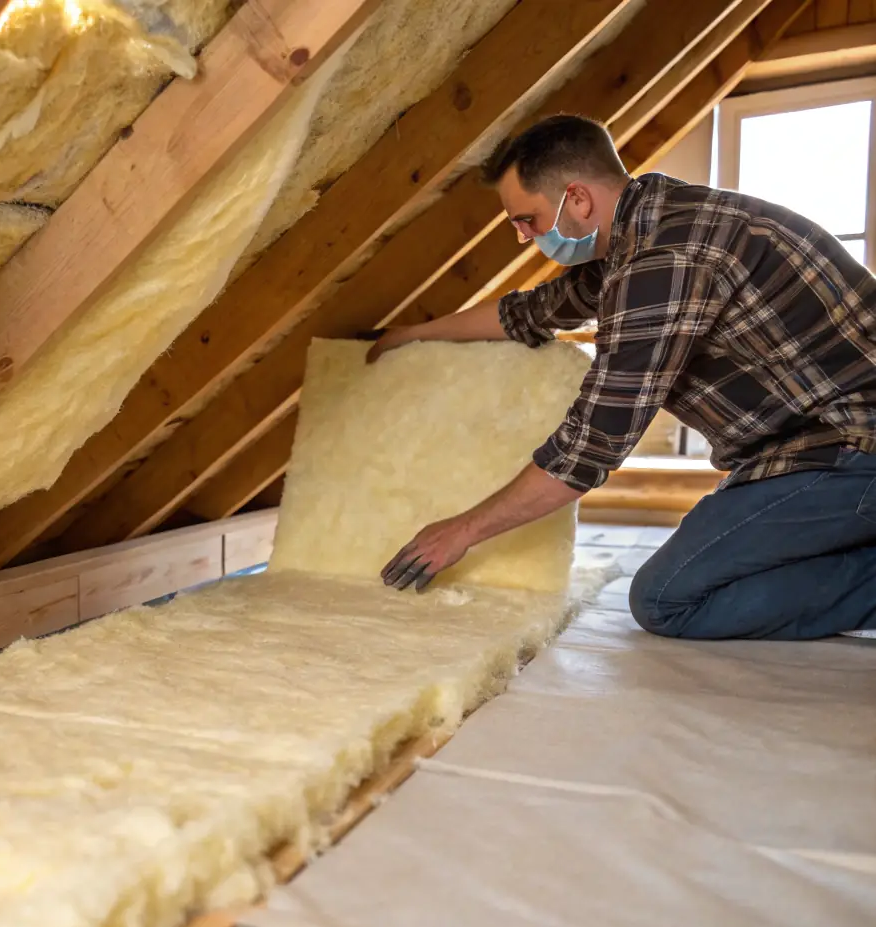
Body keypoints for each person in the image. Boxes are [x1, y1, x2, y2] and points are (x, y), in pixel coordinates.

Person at [364, 114, 876, 641]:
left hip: (853, 448)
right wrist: (410, 334)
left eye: (528, 220)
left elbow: (590, 446)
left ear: (577, 199)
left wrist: (461, 531)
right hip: (812, 448)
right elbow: (530, 312)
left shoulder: (665, 259)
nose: (523, 238)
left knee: (667, 599)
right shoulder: (648, 230)